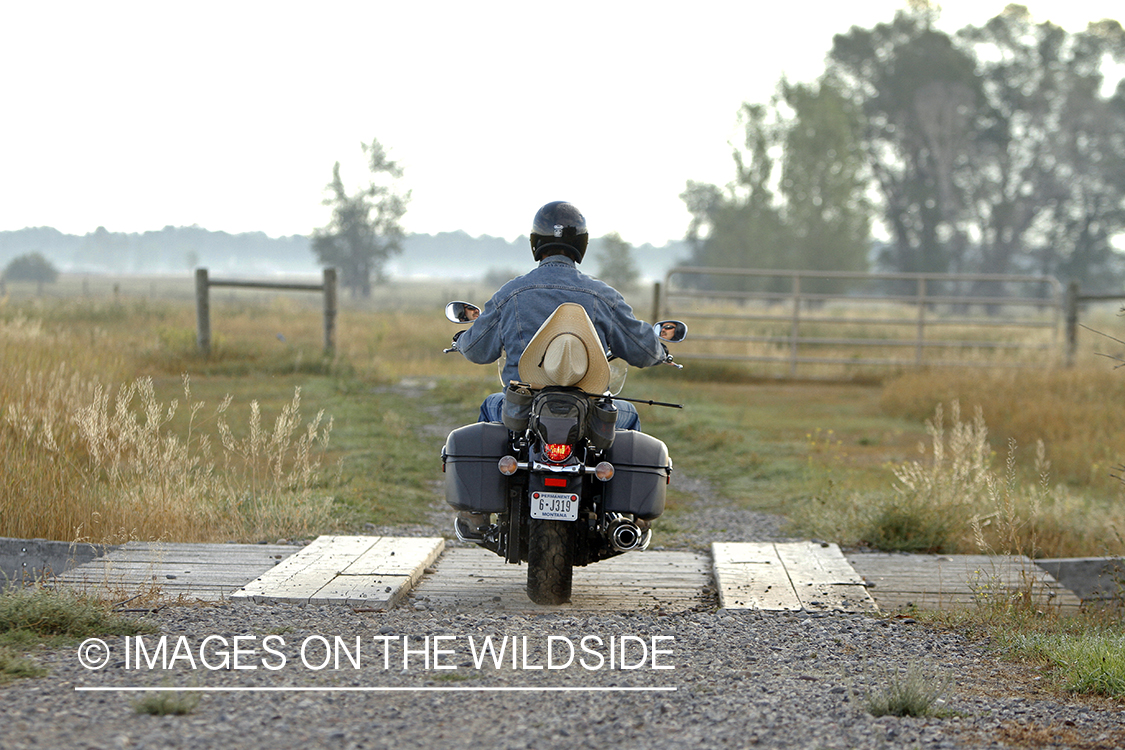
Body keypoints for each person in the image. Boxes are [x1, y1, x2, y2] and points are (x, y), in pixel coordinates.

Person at [452, 200, 669, 431]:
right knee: (629, 415)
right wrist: (661, 352)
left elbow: (477, 350)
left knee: (490, 405)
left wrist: (460, 341)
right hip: (586, 414)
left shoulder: (510, 295)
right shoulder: (605, 297)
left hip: (522, 412)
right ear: (581, 243)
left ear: (535, 242)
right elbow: (643, 351)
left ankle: (501, 467)